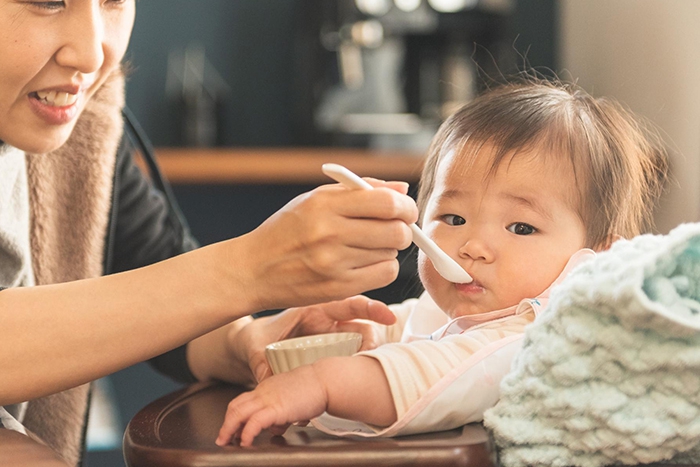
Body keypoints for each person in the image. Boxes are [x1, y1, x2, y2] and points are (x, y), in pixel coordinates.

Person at [0, 1, 419, 465]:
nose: (92, 55)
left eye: (114, 2)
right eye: (46, 1)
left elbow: (160, 291)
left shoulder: (89, 129)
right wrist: (248, 270)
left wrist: (247, 340)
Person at [215, 78, 670, 447]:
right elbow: (414, 328)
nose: (472, 245)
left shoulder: (543, 339)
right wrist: (358, 341)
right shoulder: (466, 305)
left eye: (521, 228)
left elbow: (437, 371)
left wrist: (321, 384)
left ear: (598, 261)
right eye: (453, 217)